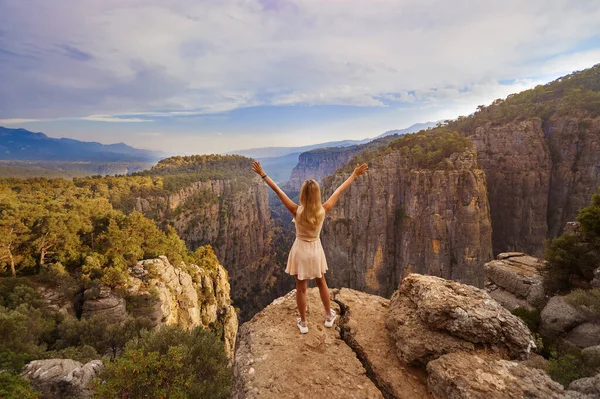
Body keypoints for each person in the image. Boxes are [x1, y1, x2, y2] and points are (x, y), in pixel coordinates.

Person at [252, 160, 368, 333]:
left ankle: (304, 323)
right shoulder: (324, 209)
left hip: (300, 251)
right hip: (315, 250)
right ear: (317, 196)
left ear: (303, 196)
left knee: (301, 289)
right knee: (322, 283)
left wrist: (262, 173)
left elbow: (277, 190)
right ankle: (329, 315)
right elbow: (339, 190)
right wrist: (354, 174)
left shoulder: (296, 210)